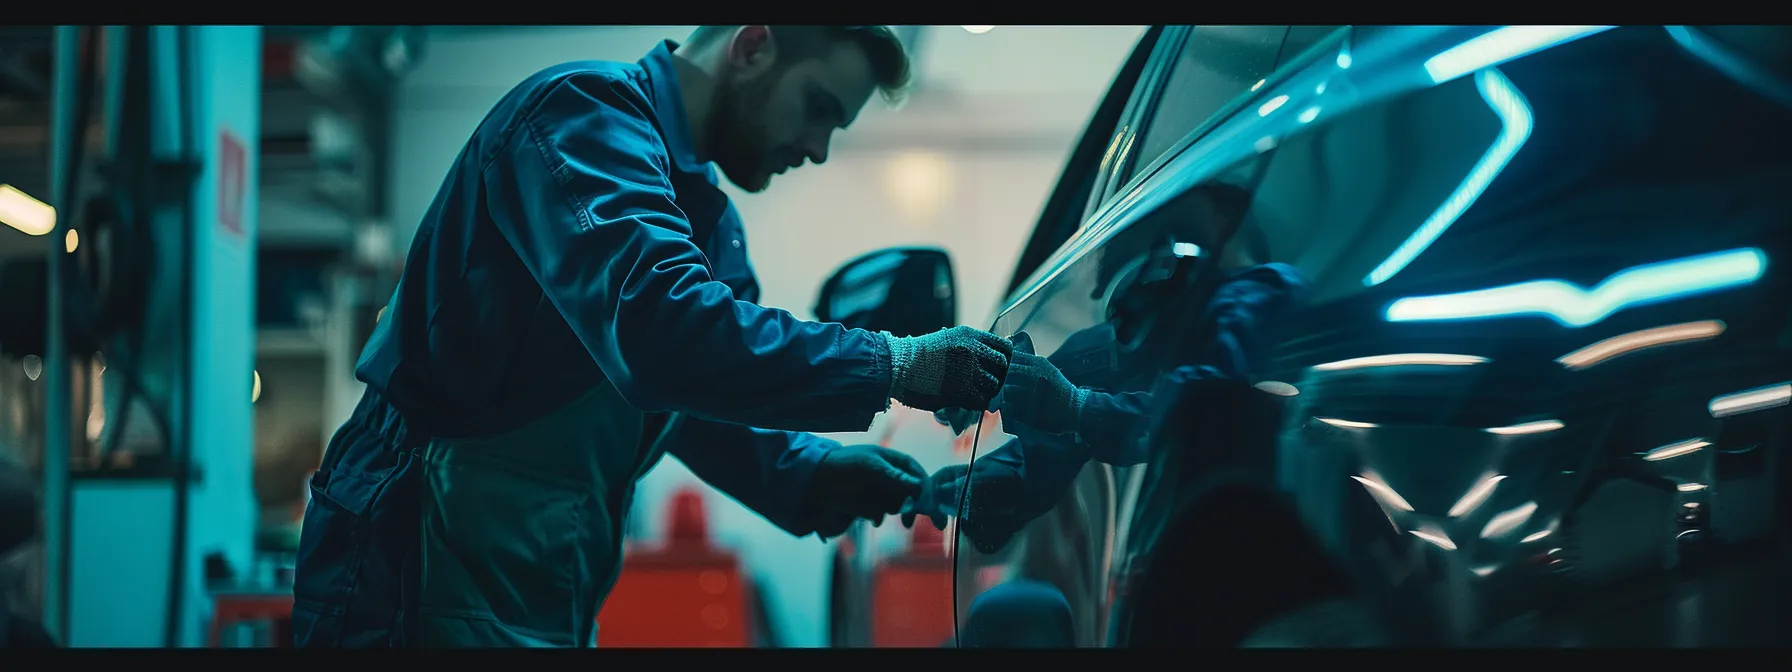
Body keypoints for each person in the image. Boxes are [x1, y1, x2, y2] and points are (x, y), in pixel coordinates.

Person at [292, 26, 1013, 648]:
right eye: (819, 108)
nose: (819, 149)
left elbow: (695, 399)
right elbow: (662, 331)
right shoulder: (583, 117)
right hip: (414, 550)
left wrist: (812, 475)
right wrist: (899, 363)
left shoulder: (706, 222)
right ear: (754, 46)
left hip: (539, 569)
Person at [907, 184, 1306, 553]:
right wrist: (991, 479)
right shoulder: (1154, 324)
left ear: (1222, 214)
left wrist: (1075, 407)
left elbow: (1202, 407)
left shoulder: (1260, 291)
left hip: (1235, 541)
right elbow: (1058, 439)